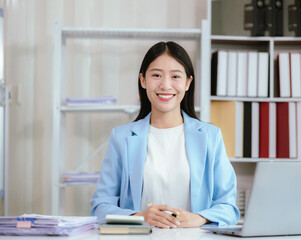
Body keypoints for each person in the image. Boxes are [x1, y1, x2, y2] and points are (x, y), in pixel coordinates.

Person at [90, 41, 240, 228]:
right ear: (143, 80)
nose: (166, 85)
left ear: (187, 83)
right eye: (156, 75)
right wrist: (139, 217)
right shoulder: (121, 138)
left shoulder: (210, 136)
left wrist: (199, 218)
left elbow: (228, 207)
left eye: (175, 76)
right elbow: (99, 208)